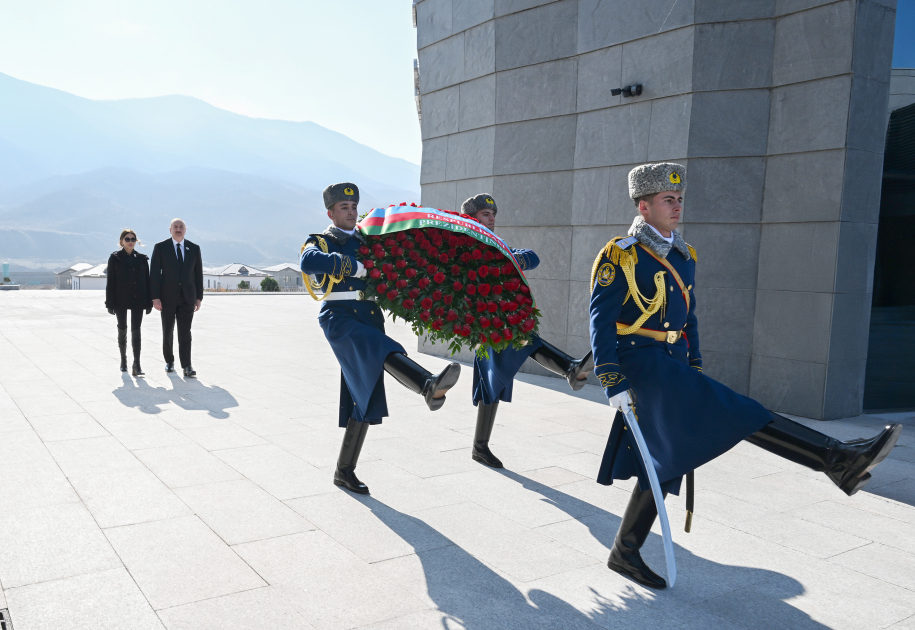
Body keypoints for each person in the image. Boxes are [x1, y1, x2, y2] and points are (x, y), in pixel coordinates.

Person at [589, 162, 901, 590]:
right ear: (644, 207)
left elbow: (688, 317)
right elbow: (600, 321)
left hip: (672, 365)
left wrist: (694, 363)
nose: (677, 206)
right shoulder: (620, 254)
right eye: (668, 200)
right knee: (739, 412)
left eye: (680, 199)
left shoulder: (684, 254)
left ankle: (625, 551)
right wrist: (611, 380)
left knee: (664, 458)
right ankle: (836, 458)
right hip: (640, 363)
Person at [300, 183, 461, 495]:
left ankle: (344, 471)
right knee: (379, 349)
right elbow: (309, 261)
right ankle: (426, 384)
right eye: (343, 208)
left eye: (353, 206)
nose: (350, 212)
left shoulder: (368, 239)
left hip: (369, 314)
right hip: (340, 315)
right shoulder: (321, 239)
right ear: (331, 212)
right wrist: (349, 265)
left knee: (363, 390)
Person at [460, 194, 594, 468]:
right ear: (471, 218)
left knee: (492, 382)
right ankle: (569, 367)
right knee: (516, 351)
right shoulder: (466, 246)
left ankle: (479, 447)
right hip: (485, 323)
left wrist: (512, 258)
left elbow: (533, 257)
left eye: (493, 214)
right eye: (486, 214)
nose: (492, 218)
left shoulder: (497, 244)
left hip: (502, 321)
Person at [150, 218, 203, 377]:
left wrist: (199, 297)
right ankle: (169, 361)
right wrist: (155, 297)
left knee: (185, 332)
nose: (178, 229)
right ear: (170, 229)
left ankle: (187, 365)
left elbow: (198, 274)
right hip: (166, 298)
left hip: (188, 297)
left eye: (181, 227)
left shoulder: (194, 248)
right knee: (167, 331)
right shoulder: (160, 247)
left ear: (185, 230)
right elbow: (154, 274)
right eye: (175, 227)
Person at [105, 229, 152, 376]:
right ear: (121, 241)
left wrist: (149, 302)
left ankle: (136, 364)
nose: (130, 242)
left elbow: (148, 282)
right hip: (120, 299)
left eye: (133, 239)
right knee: (122, 328)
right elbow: (110, 281)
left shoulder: (143, 259)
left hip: (138, 298)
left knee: (136, 330)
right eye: (127, 239)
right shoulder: (115, 258)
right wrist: (109, 302)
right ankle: (123, 360)